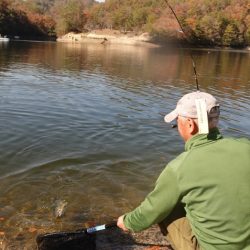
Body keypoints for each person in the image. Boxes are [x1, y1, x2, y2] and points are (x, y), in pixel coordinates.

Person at [117, 91, 250, 250]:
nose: (177, 127)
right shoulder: (245, 145)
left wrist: (126, 222)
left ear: (190, 125)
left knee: (168, 208)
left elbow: (150, 211)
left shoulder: (179, 168)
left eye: (177, 123)